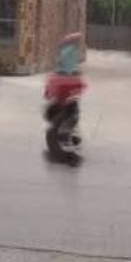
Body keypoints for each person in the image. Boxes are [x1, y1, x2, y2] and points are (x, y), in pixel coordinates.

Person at [43, 33, 86, 165]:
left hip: (67, 105)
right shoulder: (69, 52)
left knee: (61, 129)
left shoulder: (69, 52)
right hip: (65, 104)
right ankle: (67, 149)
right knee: (60, 129)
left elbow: (72, 80)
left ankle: (70, 153)